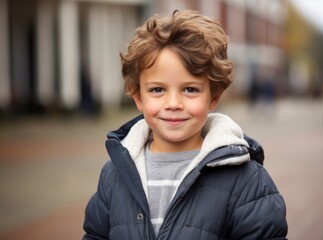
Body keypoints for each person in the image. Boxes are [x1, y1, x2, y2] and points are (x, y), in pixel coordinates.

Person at [83, 10, 288, 239]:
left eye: (190, 89)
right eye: (157, 90)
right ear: (138, 97)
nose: (173, 103)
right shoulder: (114, 174)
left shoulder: (247, 180)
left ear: (214, 97)